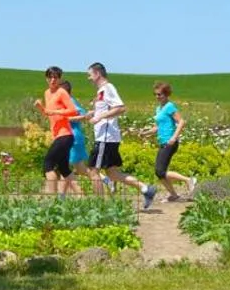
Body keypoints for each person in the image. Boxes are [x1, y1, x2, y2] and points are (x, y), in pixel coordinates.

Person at [87, 63, 157, 210]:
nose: (89, 78)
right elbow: (107, 109)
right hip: (107, 137)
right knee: (112, 173)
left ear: (98, 74)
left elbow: (120, 108)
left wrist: (100, 117)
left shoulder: (107, 88)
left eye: (90, 75)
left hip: (105, 138)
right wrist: (94, 114)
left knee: (93, 171)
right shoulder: (101, 91)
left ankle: (99, 208)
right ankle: (145, 189)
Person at [34, 66, 81, 195]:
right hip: (58, 136)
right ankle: (83, 198)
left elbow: (73, 111)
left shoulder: (61, 92)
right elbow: (48, 114)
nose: (53, 79)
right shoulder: (47, 93)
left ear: (60, 79)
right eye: (50, 77)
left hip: (65, 135)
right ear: (46, 78)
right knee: (64, 169)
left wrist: (54, 111)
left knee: (48, 165)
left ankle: (52, 200)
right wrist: (40, 107)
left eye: (56, 77)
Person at [151, 82, 198, 203]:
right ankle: (173, 195)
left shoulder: (169, 106)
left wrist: (174, 137)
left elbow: (181, 122)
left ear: (166, 94)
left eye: (160, 94)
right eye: (155, 94)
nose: (157, 97)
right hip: (163, 141)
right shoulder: (159, 109)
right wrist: (146, 133)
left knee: (160, 171)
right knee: (159, 172)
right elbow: (157, 127)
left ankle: (188, 180)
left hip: (170, 142)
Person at [61, 79, 90, 195]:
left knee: (68, 167)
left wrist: (66, 118)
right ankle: (62, 195)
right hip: (69, 136)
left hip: (72, 136)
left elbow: (82, 115)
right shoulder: (68, 102)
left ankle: (102, 179)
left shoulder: (70, 102)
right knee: (73, 167)